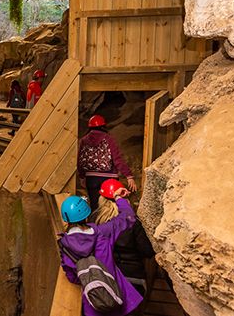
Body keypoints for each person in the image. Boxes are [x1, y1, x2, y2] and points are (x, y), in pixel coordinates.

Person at [59, 188, 144, 316]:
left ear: (66, 219)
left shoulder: (65, 245)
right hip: (118, 296)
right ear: (87, 215)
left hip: (94, 303)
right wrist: (118, 198)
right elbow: (128, 216)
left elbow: (72, 277)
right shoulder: (103, 232)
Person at [94, 179, 155, 310]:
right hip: (134, 279)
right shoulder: (132, 222)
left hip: (107, 279)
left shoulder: (95, 222)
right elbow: (148, 251)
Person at [78, 114, 136, 212]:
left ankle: (96, 226)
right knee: (111, 208)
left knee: (95, 207)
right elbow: (117, 159)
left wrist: (82, 176)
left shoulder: (84, 140)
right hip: (109, 179)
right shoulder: (108, 138)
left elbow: (80, 160)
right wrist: (129, 176)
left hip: (91, 179)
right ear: (103, 126)